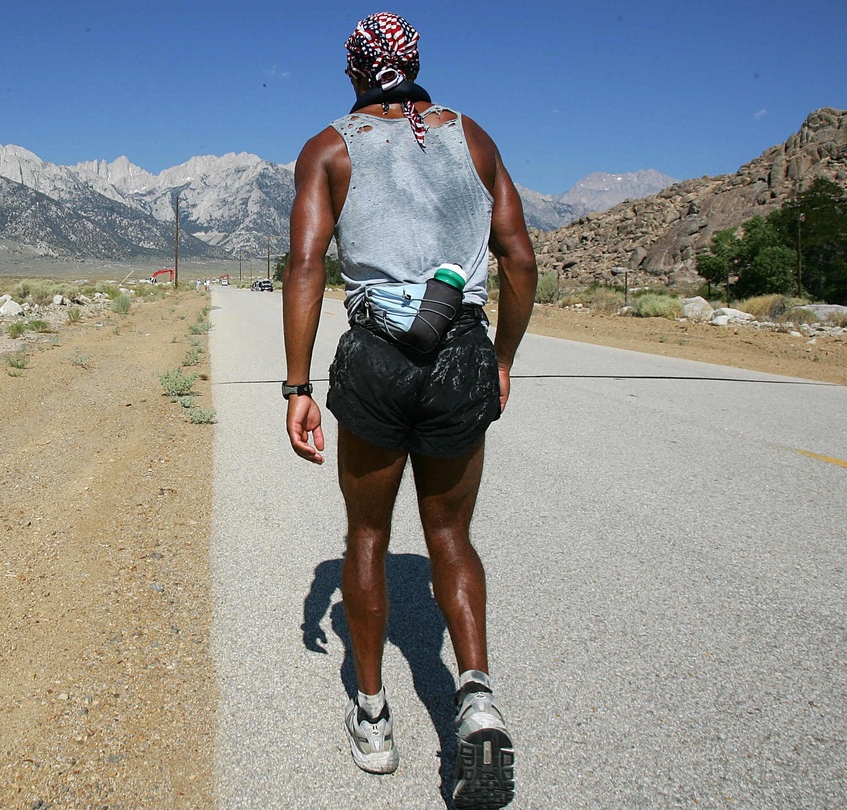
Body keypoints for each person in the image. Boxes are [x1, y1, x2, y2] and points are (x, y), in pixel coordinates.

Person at [280, 12, 536, 810]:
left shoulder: (330, 147)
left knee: (366, 533)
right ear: (415, 63)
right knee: (451, 534)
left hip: (378, 359)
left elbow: (306, 264)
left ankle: (373, 714)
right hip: (459, 348)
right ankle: (478, 696)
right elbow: (520, 259)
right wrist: (501, 358)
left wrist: (296, 387)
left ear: (354, 71)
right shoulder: (475, 139)